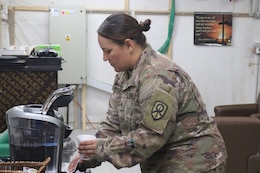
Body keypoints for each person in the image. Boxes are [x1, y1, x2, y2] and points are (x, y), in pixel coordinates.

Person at [70, 13, 227, 173]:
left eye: (108, 51)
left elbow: (151, 137)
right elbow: (113, 124)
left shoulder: (159, 77)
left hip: (195, 161)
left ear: (129, 45)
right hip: (162, 161)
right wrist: (88, 156)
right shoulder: (124, 75)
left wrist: (101, 149)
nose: (104, 58)